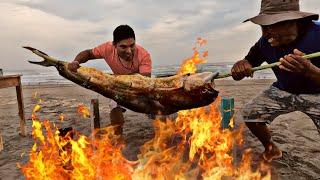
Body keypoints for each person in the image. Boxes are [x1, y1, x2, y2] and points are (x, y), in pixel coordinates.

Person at [231, 0, 320, 162]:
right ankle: (271, 148)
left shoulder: (318, 35)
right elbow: (250, 62)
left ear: (292, 21)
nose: (265, 33)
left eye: (270, 26)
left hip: (318, 93)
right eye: (263, 27)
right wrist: (241, 67)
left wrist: (310, 71)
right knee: (251, 114)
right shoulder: (265, 42)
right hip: (283, 90)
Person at [68, 25, 152, 137]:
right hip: (118, 87)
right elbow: (88, 53)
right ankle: (118, 139)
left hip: (139, 88)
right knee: (114, 105)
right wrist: (76, 61)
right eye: (123, 47)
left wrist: (117, 79)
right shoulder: (107, 48)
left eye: (132, 45)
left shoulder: (144, 55)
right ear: (114, 45)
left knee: (157, 109)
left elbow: (145, 80)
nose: (129, 51)